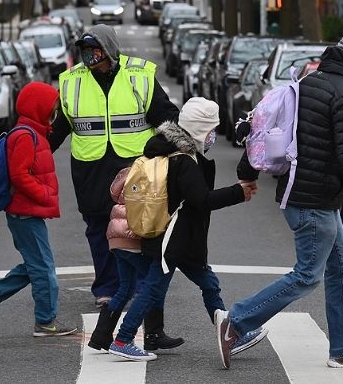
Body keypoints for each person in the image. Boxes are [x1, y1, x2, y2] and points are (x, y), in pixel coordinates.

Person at [216, 31, 343, 369]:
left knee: (342, 267)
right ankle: (236, 322)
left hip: (305, 196)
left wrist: (247, 172)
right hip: (315, 201)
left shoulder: (306, 84)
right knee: (308, 275)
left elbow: (263, 127)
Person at [106, 98, 262, 362]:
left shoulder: (170, 152)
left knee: (209, 283)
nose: (213, 136)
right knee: (153, 288)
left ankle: (231, 333)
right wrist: (238, 191)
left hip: (181, 239)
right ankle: (123, 339)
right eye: (211, 130)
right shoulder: (185, 161)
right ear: (200, 129)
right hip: (173, 239)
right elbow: (200, 200)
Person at [49, 25, 179, 312]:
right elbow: (57, 129)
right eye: (86, 53)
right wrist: (36, 155)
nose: (92, 60)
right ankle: (107, 287)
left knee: (140, 227)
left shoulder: (140, 75)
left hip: (134, 166)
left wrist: (175, 152)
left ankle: (141, 285)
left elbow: (167, 118)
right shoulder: (71, 82)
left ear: (110, 50)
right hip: (90, 168)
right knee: (98, 229)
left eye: (97, 53)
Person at [0, 82, 77, 338]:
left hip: (26, 212)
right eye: (51, 107)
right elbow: (20, 175)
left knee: (35, 264)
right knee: (43, 268)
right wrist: (45, 194)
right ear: (38, 107)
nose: (54, 112)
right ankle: (45, 321)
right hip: (25, 212)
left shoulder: (33, 133)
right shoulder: (25, 136)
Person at [87, 167, 183, 352]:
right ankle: (145, 335)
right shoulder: (152, 173)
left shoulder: (127, 172)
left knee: (126, 288)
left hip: (116, 237)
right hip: (133, 239)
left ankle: (101, 334)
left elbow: (114, 192)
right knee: (153, 285)